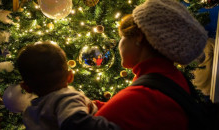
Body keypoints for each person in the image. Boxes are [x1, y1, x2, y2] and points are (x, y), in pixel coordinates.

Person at [93, 0, 208, 129]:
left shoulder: (145, 96)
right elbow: (131, 115)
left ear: (138, 37)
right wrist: (92, 105)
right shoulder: (171, 78)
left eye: (122, 36)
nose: (120, 44)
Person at [17, 42, 119, 130]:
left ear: (26, 87)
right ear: (70, 76)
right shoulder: (66, 98)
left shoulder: (30, 112)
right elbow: (78, 125)